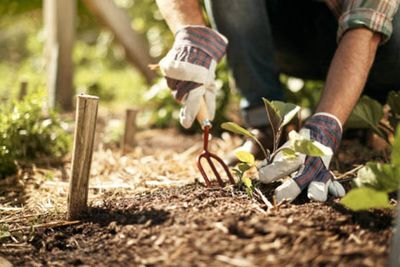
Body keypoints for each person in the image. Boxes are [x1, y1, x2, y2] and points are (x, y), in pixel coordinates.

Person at [155, 0, 400, 203]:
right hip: (291, 34)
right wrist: (190, 31)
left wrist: (326, 124)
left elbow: (365, 31)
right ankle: (265, 124)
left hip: (382, 42)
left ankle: (371, 110)